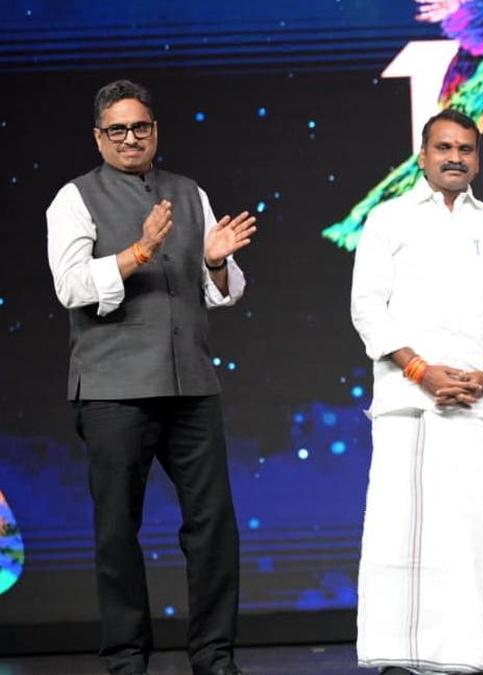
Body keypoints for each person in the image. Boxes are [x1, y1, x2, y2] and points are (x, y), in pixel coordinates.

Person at [46, 79, 255, 675]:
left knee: (213, 527)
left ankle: (214, 657)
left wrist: (215, 261)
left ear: (155, 131)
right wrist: (137, 253)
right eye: (117, 130)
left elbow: (222, 292)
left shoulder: (189, 193)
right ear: (98, 137)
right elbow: (71, 287)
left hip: (191, 385)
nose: (131, 138)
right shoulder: (75, 198)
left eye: (140, 127)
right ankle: (126, 661)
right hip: (114, 390)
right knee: (117, 531)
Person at [350, 108, 483, 675]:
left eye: (466, 149)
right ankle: (399, 659)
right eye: (444, 148)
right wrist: (420, 371)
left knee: (481, 538)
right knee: (402, 535)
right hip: (410, 402)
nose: (455, 158)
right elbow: (368, 309)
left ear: (478, 158)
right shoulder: (388, 220)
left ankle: (470, 659)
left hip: (482, 405)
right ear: (423, 155)